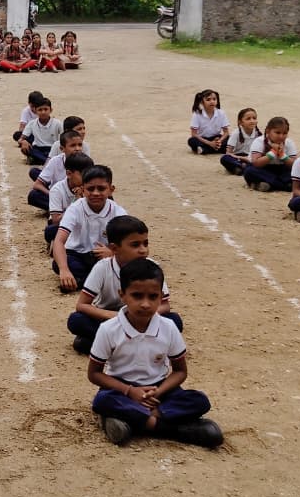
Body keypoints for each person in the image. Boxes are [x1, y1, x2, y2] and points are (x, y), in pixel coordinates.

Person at [87, 258, 222, 448]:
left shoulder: (168, 327)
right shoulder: (108, 329)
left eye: (153, 297)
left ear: (161, 297)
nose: (145, 304)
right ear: (122, 295)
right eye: (137, 296)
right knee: (103, 400)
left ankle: (137, 421)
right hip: (122, 390)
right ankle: (173, 429)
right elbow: (94, 374)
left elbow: (180, 371)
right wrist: (130, 391)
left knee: (199, 400)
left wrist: (158, 391)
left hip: (159, 391)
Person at [67, 216, 181, 355]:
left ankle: (112, 345)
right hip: (110, 320)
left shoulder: (152, 267)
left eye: (145, 244)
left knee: (175, 321)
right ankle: (141, 346)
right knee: (77, 320)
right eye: (135, 245)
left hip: (143, 319)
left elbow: (165, 305)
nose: (143, 250)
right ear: (114, 248)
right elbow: (82, 305)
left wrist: (142, 315)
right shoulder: (102, 268)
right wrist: (118, 316)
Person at [51, 165, 124, 292]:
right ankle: (101, 283)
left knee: (127, 264)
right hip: (77, 255)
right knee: (60, 263)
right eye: (90, 189)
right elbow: (59, 241)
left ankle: (84, 282)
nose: (95, 193)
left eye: (101, 188)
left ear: (111, 190)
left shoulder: (118, 212)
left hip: (104, 256)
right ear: (83, 190)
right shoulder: (75, 209)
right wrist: (64, 270)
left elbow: (129, 243)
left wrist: (113, 254)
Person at [243, 116, 297, 192]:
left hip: (281, 169)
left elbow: (294, 165)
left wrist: (282, 155)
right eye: (277, 133)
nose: (281, 136)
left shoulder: (289, 143)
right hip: (264, 169)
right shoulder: (259, 141)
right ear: (268, 131)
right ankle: (283, 186)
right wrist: (273, 153)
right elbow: (256, 163)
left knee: (298, 173)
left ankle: (269, 185)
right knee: (249, 171)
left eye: (284, 133)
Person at [19, 98, 62, 165]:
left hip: (52, 148)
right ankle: (48, 161)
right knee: (25, 149)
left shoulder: (57, 123)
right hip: (37, 149)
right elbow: (20, 139)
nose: (43, 112)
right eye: (40, 110)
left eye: (45, 109)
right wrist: (23, 141)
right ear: (35, 111)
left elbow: (65, 138)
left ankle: (41, 160)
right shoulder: (32, 123)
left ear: (51, 110)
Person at [187, 89, 228, 154]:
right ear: (202, 102)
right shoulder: (197, 114)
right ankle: (216, 149)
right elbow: (194, 134)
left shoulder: (221, 113)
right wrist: (209, 143)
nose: (212, 102)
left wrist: (219, 141)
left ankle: (204, 150)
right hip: (202, 139)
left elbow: (226, 132)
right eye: (208, 100)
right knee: (191, 141)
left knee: (229, 138)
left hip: (216, 138)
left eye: (214, 99)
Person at [221, 107, 259, 176]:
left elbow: (259, 154)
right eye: (248, 119)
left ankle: (239, 169)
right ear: (240, 122)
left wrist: (249, 159)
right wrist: (238, 157)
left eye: (254, 118)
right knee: (224, 158)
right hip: (236, 157)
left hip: (250, 157)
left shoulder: (258, 134)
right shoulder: (236, 133)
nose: (252, 121)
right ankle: (241, 167)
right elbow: (228, 152)